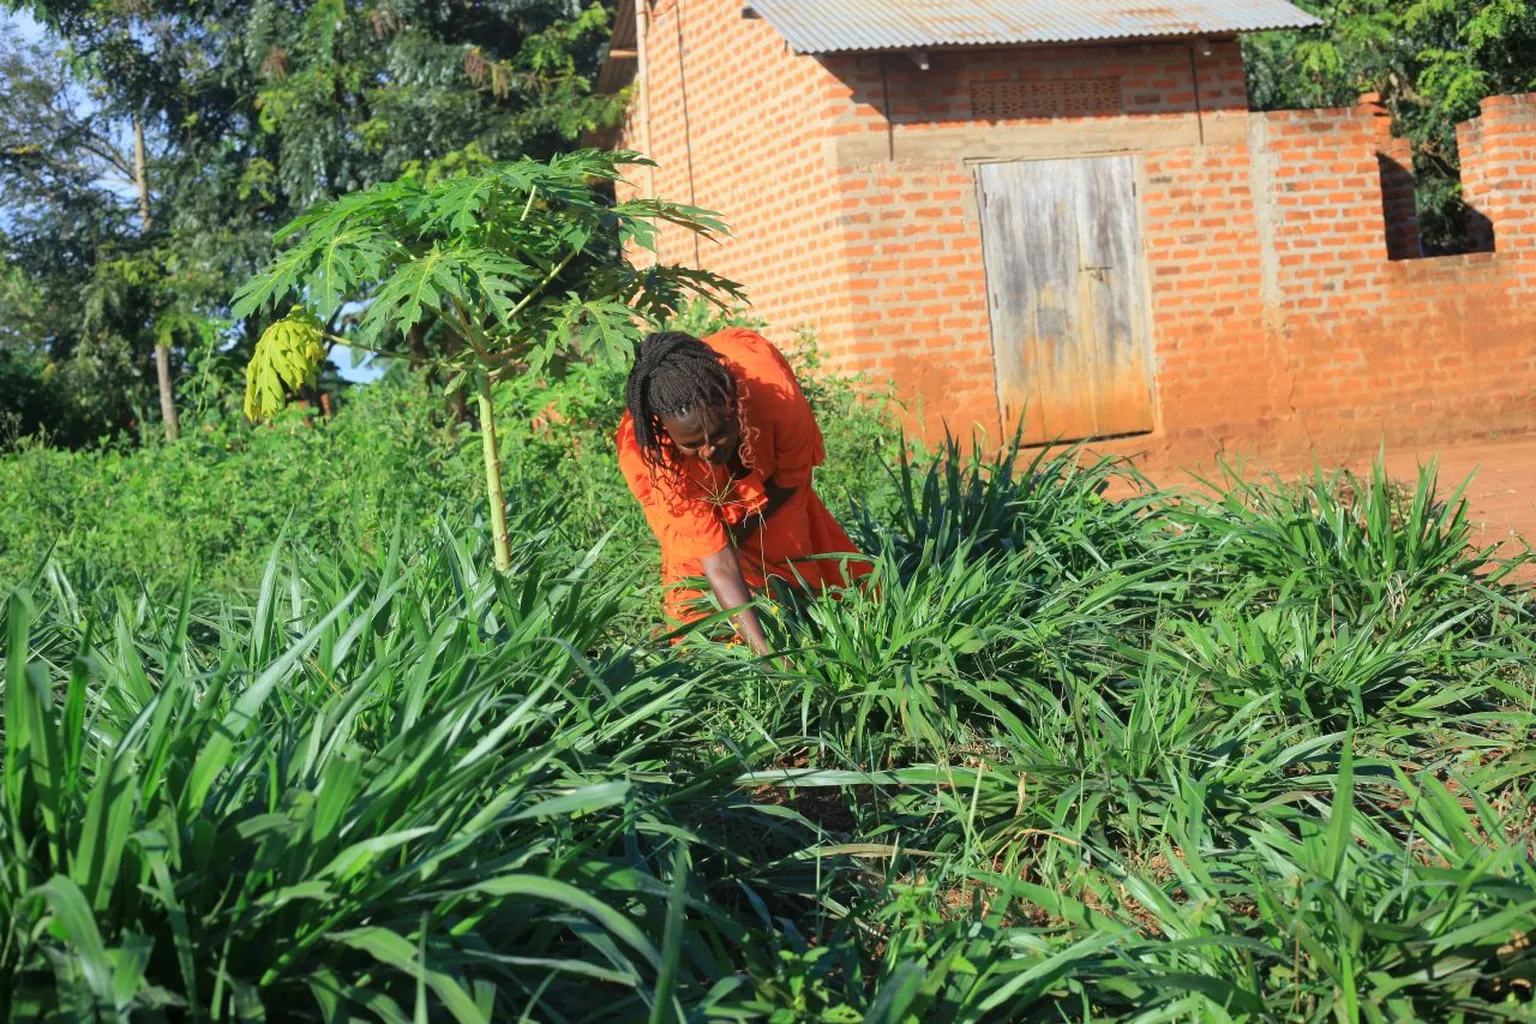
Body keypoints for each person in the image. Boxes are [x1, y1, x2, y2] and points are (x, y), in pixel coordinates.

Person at [616, 327, 869, 654]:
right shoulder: (660, 456)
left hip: (762, 441)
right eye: (693, 444)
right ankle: (713, 662)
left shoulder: (778, 401)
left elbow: (791, 478)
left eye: (718, 433)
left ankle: (817, 635)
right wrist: (766, 656)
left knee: (786, 554)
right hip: (678, 470)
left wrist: (742, 530)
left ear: (732, 404)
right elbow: (716, 560)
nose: (709, 450)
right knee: (693, 576)